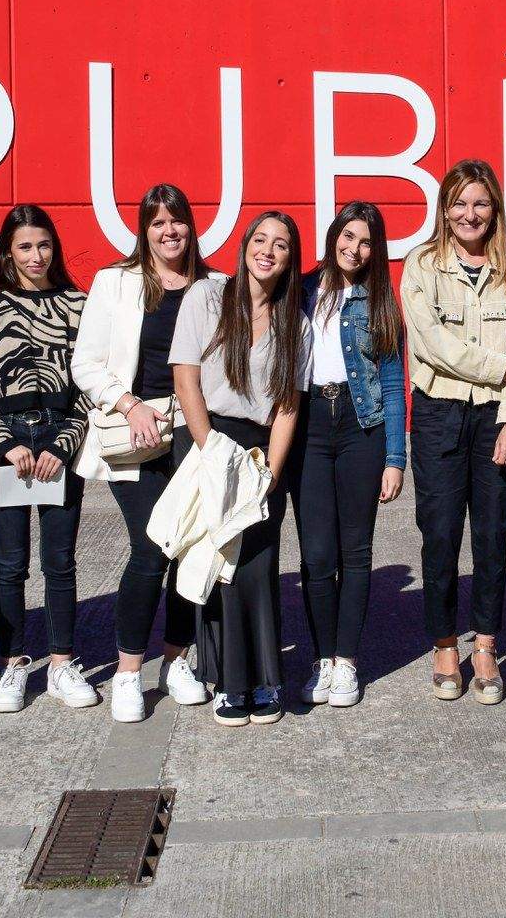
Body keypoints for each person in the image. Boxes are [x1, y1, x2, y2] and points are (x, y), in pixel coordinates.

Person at [399, 160, 506, 704]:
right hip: (438, 412)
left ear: (495, 209)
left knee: (491, 534)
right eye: (459, 203)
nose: (469, 214)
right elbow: (430, 343)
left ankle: (484, 645)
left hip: (494, 419)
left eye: (480, 203)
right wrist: (498, 368)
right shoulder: (421, 266)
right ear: (444, 209)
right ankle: (442, 644)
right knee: (438, 533)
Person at [72, 184, 213, 723]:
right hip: (136, 430)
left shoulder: (214, 286)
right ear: (144, 229)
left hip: (193, 428)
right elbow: (86, 363)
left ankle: (176, 660)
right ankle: (127, 672)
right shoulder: (116, 282)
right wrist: (128, 404)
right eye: (157, 223)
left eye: (176, 221)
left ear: (190, 226)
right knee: (151, 548)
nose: (169, 231)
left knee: (188, 547)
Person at [171, 211, 309, 726]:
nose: (268, 250)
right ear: (245, 245)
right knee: (217, 563)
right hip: (207, 439)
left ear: (290, 258)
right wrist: (211, 452)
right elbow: (185, 378)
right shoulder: (206, 298)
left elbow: (288, 405)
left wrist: (271, 473)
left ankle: (265, 680)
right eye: (260, 239)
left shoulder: (292, 321)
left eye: (281, 244)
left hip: (258, 449)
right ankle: (228, 683)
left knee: (257, 563)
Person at [0, 206, 95, 713]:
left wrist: (63, 443)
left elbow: (91, 380)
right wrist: (5, 443)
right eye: (24, 246)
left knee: (60, 564)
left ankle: (63, 663)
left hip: (60, 440)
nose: (36, 256)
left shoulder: (77, 304)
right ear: (7, 252)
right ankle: (13, 665)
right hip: (8, 446)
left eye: (44, 245)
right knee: (9, 565)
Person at [296, 202, 408, 708]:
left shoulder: (380, 300)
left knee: (355, 550)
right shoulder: (299, 291)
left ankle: (346, 662)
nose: (354, 249)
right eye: (347, 236)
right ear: (333, 235)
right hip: (309, 426)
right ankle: (321, 660)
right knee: (317, 554)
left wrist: (395, 458)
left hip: (362, 427)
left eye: (365, 242)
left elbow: (391, 381)